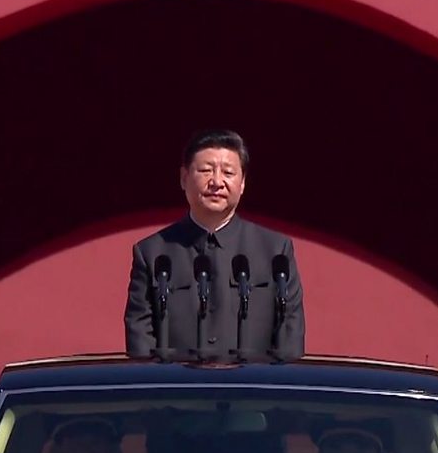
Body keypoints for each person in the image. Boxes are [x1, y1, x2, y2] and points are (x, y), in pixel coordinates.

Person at [124, 129, 305, 360]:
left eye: (228, 172)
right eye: (206, 171)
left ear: (242, 183)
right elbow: (140, 342)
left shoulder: (275, 251)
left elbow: (290, 335)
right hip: (176, 383)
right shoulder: (152, 253)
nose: (217, 182)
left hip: (253, 382)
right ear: (184, 178)